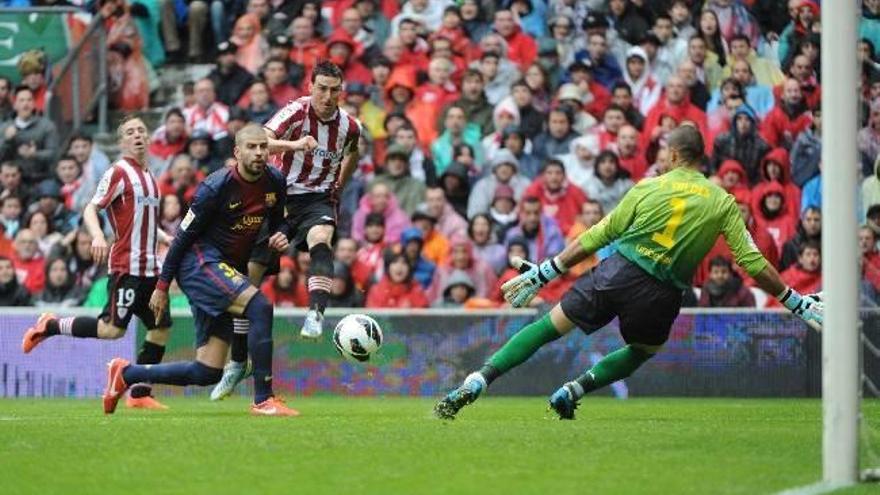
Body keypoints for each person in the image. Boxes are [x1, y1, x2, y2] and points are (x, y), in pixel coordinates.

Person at [434, 125, 823, 421]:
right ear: (700, 157)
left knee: (547, 327)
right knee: (642, 350)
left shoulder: (647, 187)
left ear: (673, 154)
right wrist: (794, 301)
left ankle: (479, 379)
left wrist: (548, 271)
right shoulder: (722, 202)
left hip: (616, 273)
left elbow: (598, 234)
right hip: (662, 294)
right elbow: (752, 263)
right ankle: (574, 390)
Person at [101, 124, 295, 416]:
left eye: (263, 147)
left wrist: (283, 233)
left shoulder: (275, 180)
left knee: (207, 371)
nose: (258, 153)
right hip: (200, 264)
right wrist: (162, 287)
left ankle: (127, 374)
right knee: (260, 307)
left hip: (225, 269)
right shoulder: (215, 187)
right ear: (237, 152)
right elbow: (182, 238)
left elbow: (281, 221)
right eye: (252, 147)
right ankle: (263, 399)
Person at [21, 116, 173, 410]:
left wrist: (164, 236)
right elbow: (91, 208)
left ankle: (139, 393)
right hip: (127, 268)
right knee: (111, 330)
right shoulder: (118, 172)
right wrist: (98, 236)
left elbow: (143, 221)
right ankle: (50, 325)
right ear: (121, 142)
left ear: (148, 137)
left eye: (141, 130)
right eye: (130, 132)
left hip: (151, 268)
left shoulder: (150, 177)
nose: (137, 135)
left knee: (160, 327)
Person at [239, 61, 360, 385]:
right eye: (322, 88)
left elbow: (354, 151)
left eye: (334, 90)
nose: (327, 96)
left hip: (318, 199)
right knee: (251, 275)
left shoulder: (350, 126)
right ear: (310, 87)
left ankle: (315, 314)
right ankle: (238, 359)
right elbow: (260, 143)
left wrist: (340, 184)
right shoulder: (296, 112)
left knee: (322, 238)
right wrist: (295, 144)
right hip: (280, 197)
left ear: (341, 91)